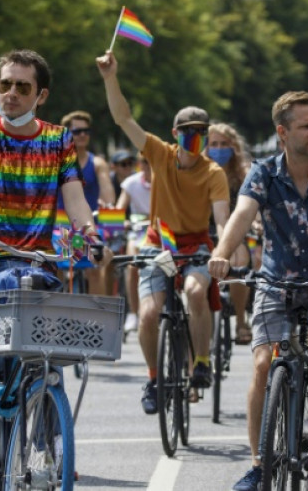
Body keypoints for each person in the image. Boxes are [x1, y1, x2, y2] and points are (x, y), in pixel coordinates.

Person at [0, 49, 109, 490]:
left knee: (48, 360)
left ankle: (49, 446)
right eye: (5, 84)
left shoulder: (58, 139)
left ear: (41, 95)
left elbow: (74, 197)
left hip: (34, 266)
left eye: (22, 86)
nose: (11, 93)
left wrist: (90, 234)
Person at [208, 91, 308, 491]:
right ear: (282, 133)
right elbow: (242, 214)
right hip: (277, 281)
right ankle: (258, 464)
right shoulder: (263, 173)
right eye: (306, 126)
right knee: (263, 364)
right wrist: (222, 253)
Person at [96, 50, 230, 414]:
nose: (195, 138)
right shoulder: (160, 153)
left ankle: (201, 361)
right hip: (159, 245)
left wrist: (222, 250)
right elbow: (124, 118)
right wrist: (111, 77)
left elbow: (221, 218)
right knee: (149, 314)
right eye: (188, 132)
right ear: (175, 134)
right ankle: (154, 379)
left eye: (201, 132)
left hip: (196, 245)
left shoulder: (214, 173)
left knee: (195, 291)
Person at [57, 110, 116, 295]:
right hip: (60, 227)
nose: (82, 135)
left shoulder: (98, 163)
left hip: (91, 225)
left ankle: (96, 312)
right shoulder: (57, 163)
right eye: (77, 131)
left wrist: (108, 204)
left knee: (95, 266)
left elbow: (107, 193)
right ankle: (55, 309)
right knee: (54, 265)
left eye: (86, 131)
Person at [206, 123, 254, 344]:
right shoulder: (200, 171)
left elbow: (255, 202)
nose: (219, 149)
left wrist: (257, 222)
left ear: (233, 146)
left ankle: (241, 320)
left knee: (239, 263)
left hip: (236, 232)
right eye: (214, 144)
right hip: (204, 231)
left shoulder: (245, 173)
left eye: (224, 144)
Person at [117, 154, 152, 333]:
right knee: (132, 265)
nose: (149, 165)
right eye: (145, 161)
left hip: (163, 231)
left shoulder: (167, 180)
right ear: (140, 164)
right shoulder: (131, 183)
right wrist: (121, 220)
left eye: (153, 160)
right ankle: (133, 312)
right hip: (138, 231)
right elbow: (119, 209)